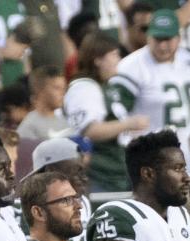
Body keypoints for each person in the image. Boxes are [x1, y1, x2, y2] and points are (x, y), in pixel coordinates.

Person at [108, 9, 190, 177]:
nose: (162, 45)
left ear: (179, 38)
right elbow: (116, 112)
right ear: (148, 37)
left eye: (168, 39)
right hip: (154, 161)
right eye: (157, 39)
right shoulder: (131, 68)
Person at [63, 31, 147, 193]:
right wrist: (129, 123)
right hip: (98, 176)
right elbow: (90, 130)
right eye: (114, 55)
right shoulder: (84, 88)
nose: (118, 60)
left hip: (118, 174)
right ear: (97, 59)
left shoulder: (107, 87)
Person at [16, 65, 69, 140]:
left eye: (64, 88)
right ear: (40, 91)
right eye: (57, 88)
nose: (63, 93)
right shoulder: (30, 126)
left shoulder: (65, 122)